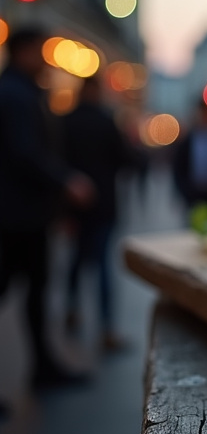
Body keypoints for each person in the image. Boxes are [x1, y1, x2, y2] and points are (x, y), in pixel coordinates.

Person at [0, 27, 94, 388]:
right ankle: (43, 368)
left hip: (23, 214)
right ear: (23, 51)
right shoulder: (15, 95)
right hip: (16, 216)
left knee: (36, 293)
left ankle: (43, 367)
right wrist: (66, 181)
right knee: (25, 290)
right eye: (41, 51)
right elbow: (25, 153)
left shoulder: (21, 92)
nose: (46, 59)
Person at [61, 75, 134, 350]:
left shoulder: (66, 121)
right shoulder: (106, 121)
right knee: (102, 265)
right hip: (104, 205)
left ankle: (72, 308)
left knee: (76, 260)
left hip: (75, 207)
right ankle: (106, 327)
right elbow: (125, 159)